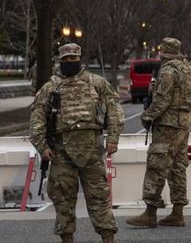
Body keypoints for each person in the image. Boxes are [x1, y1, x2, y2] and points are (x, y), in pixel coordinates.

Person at [30, 43, 124, 243]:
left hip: (92, 151)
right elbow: (37, 119)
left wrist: (113, 138)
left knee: (99, 198)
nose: (70, 62)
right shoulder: (50, 88)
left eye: (73, 58)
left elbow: (114, 111)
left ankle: (108, 238)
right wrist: (42, 147)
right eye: (66, 59)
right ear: (60, 60)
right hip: (61, 152)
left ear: (80, 59)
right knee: (62, 200)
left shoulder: (97, 83)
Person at [127, 37, 191, 228]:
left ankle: (150, 212)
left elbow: (162, 101)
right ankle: (177, 212)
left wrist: (147, 116)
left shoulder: (168, 71)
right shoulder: (187, 68)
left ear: (163, 52)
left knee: (157, 165)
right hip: (183, 123)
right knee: (178, 166)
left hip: (167, 124)